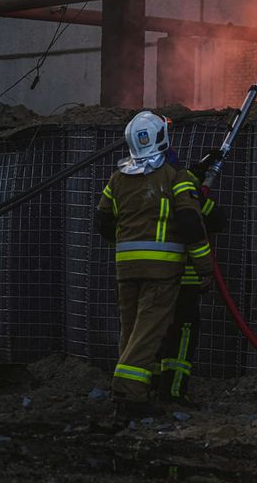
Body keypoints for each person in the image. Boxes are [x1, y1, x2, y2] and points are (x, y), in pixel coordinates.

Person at [95, 111, 213, 422]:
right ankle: (129, 392)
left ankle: (133, 390)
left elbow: (102, 221)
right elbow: (191, 224)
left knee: (131, 331)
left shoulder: (117, 179)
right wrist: (204, 266)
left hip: (126, 270)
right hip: (161, 273)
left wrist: (129, 242)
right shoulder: (175, 177)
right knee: (148, 332)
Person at [154, 154, 226, 408]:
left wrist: (196, 174)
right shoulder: (185, 192)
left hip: (148, 277)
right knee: (182, 333)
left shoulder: (137, 185)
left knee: (151, 332)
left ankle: (147, 388)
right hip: (182, 278)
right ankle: (173, 393)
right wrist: (197, 191)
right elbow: (214, 220)